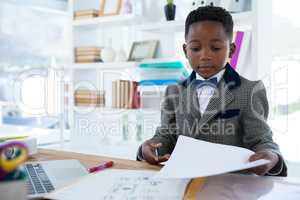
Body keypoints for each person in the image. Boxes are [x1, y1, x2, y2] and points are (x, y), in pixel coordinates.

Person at [137, 6, 287, 176]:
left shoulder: (250, 90)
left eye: (215, 48)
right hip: (184, 182)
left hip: (231, 188)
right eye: (195, 49)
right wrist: (148, 148)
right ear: (185, 51)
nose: (205, 55)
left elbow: (262, 141)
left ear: (231, 50)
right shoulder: (174, 92)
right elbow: (166, 136)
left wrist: (271, 157)